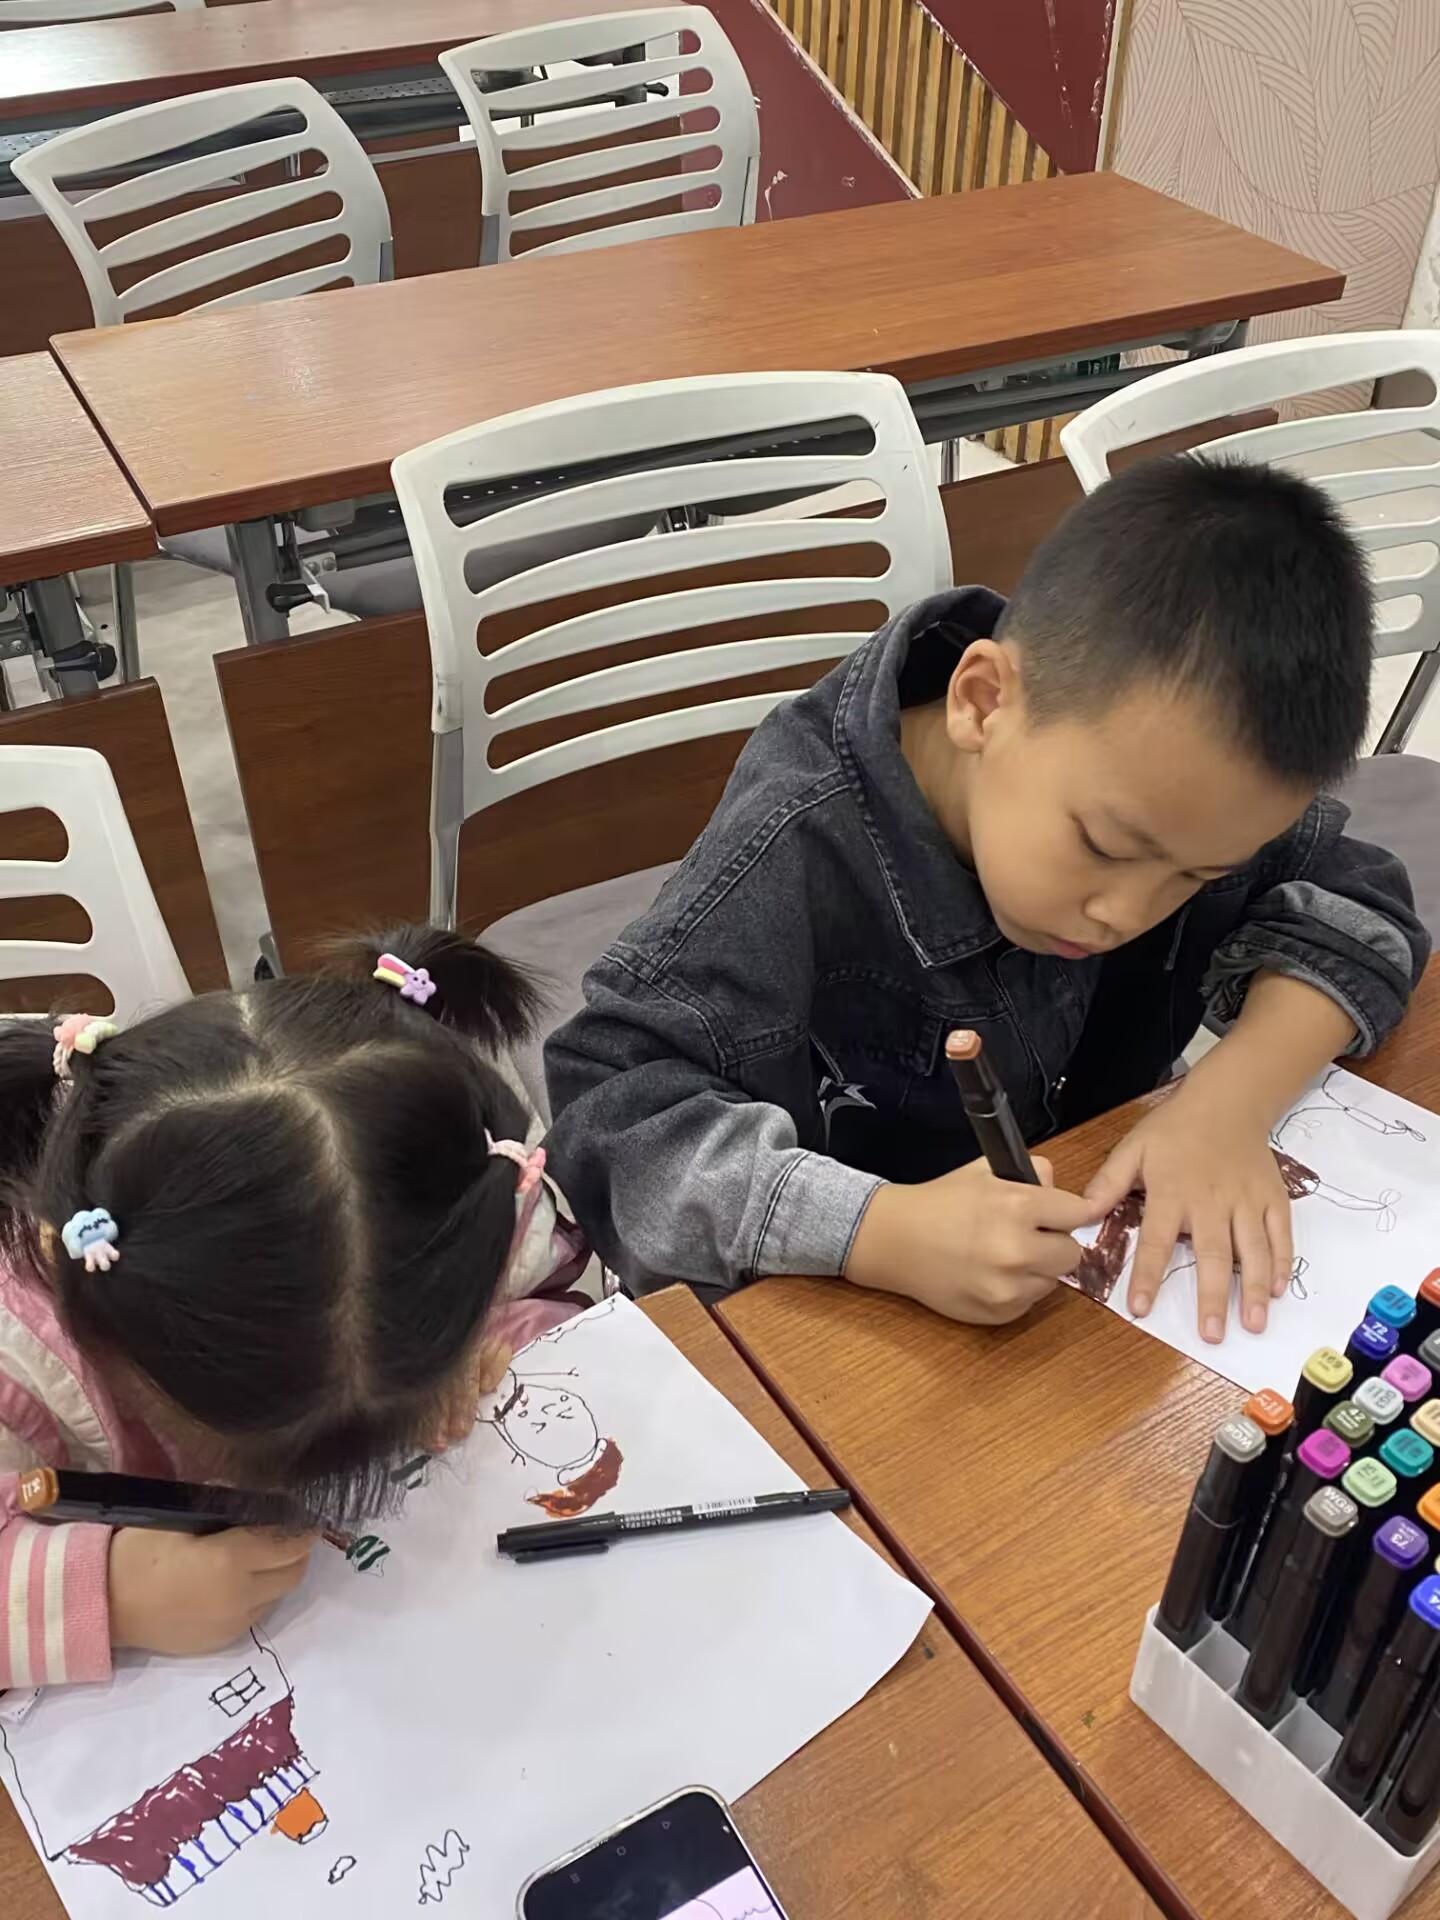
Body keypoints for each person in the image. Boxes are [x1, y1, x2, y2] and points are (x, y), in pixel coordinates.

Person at [545, 455, 1429, 1344]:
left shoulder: (1173, 778)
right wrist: (877, 1230)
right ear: (980, 701)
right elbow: (611, 1123)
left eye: (1195, 877)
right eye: (1106, 847)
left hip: (1065, 1291)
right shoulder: (789, 846)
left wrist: (1229, 1101)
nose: (1128, 913)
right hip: (863, 1324)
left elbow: (1367, 907)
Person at [0, 926, 590, 1690]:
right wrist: (114, 1597)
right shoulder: (22, 1356)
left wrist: (457, 1354)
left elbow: (552, 1306)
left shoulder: (458, 1186)